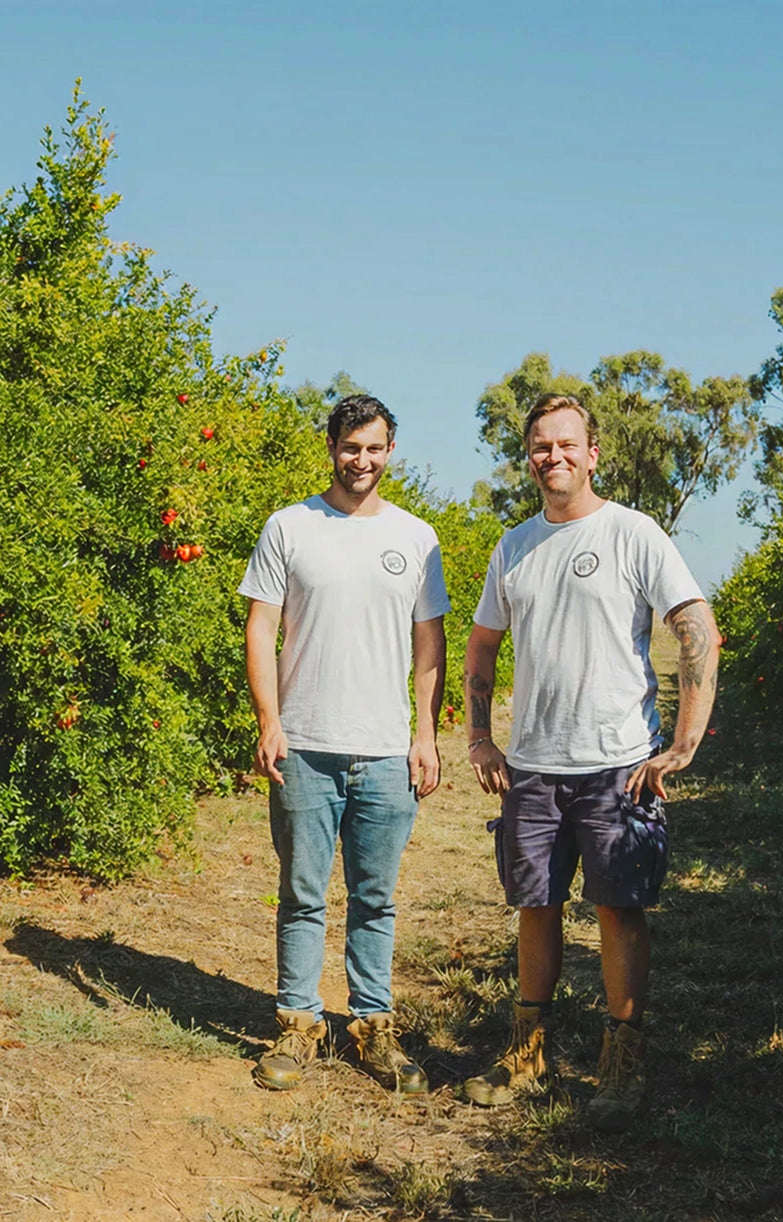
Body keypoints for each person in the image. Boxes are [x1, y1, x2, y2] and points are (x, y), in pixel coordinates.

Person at [462, 392, 718, 1129]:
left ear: (593, 452)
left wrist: (685, 742)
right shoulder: (513, 546)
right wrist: (480, 737)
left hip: (618, 764)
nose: (555, 456)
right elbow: (484, 643)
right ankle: (527, 1048)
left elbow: (696, 626)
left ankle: (623, 1057)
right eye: (542, 445)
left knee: (619, 907)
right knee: (533, 906)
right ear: (530, 456)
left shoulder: (634, 534)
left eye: (568, 443)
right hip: (535, 765)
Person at [239, 394, 450, 1093]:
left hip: (387, 750)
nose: (362, 460)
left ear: (392, 451)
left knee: (375, 898)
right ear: (331, 446)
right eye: (351, 446)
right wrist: (270, 720)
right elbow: (261, 630)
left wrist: (426, 734)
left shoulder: (417, 537)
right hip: (305, 745)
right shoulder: (289, 527)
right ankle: (298, 1024)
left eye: (375, 447)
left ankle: (371, 1026)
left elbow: (430, 644)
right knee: (301, 894)